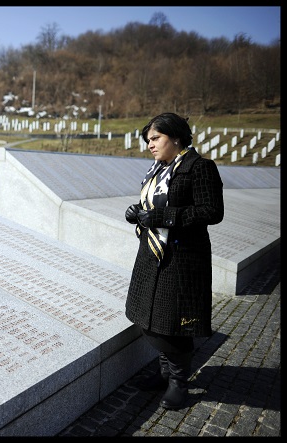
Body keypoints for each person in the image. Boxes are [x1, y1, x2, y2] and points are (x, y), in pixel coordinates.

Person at [124, 113, 224, 410]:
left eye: (155, 139)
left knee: (170, 322)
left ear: (176, 137)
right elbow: (152, 204)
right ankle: (165, 373)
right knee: (148, 317)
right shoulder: (158, 170)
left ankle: (179, 382)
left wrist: (163, 217)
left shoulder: (200, 168)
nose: (150, 146)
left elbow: (211, 212)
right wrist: (137, 212)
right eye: (148, 141)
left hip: (181, 258)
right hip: (152, 254)